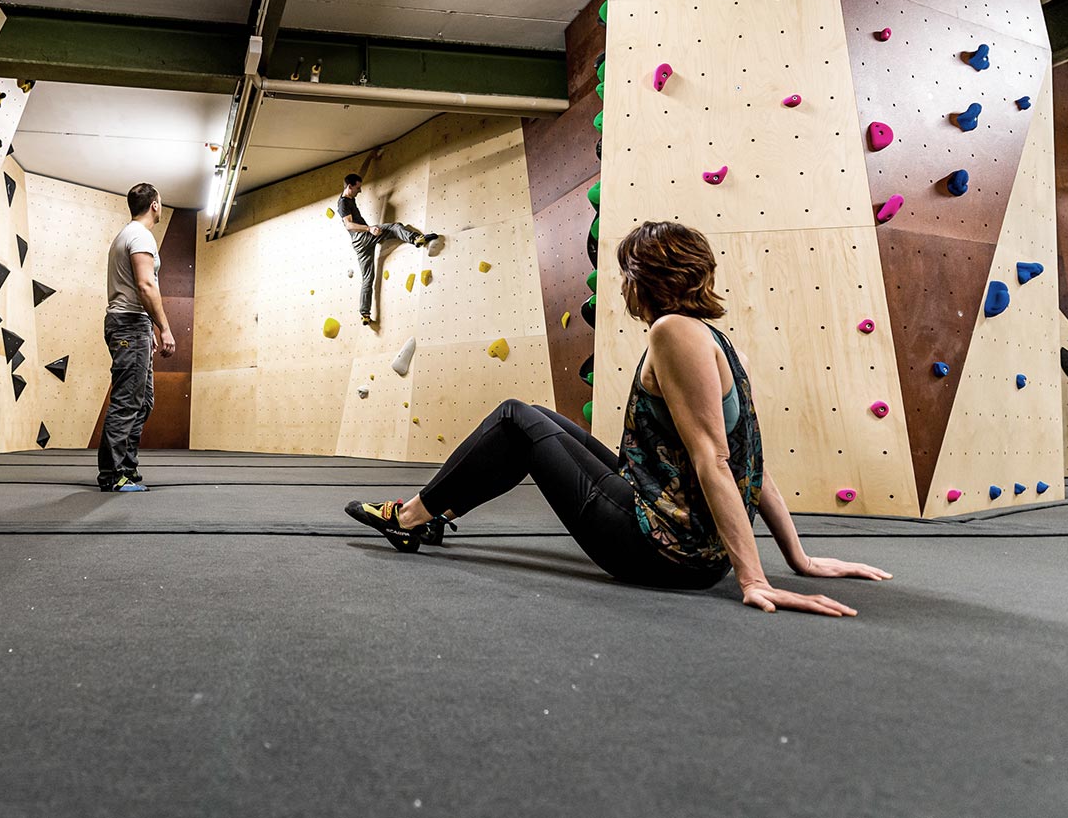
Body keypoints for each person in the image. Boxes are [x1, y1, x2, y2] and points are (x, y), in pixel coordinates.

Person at [346, 220, 891, 616]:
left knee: (514, 418)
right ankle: (429, 511)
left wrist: (755, 578)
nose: (622, 288)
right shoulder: (720, 343)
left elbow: (717, 459)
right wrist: (797, 558)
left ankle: (409, 517)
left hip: (660, 552)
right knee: (536, 416)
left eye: (625, 276)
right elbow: (754, 465)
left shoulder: (671, 331)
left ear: (642, 279)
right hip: (694, 549)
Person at [97, 182, 176, 492]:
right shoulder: (140, 236)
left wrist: (148, 327)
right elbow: (145, 285)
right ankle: (112, 475)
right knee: (127, 401)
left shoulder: (127, 234)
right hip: (129, 324)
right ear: (154, 205)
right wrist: (164, 327)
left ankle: (127, 468)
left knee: (142, 403)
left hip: (134, 324)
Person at [337, 172, 439, 326]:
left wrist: (371, 157)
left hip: (359, 246)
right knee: (394, 227)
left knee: (367, 279)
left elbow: (361, 171)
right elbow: (348, 225)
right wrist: (369, 229)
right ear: (350, 186)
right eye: (358, 188)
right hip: (362, 237)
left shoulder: (348, 192)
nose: (360, 190)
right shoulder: (343, 203)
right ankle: (416, 239)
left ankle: (365, 313)